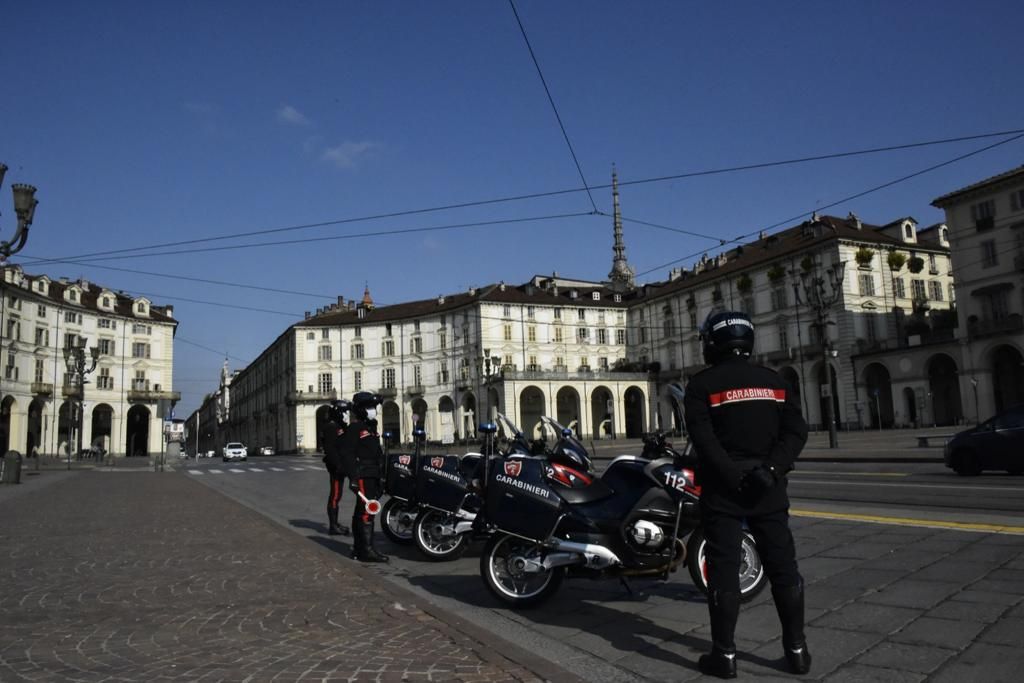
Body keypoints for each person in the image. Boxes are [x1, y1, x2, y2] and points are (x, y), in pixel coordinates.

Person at [683, 310, 811, 679]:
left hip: (724, 491)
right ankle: (797, 652)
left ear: (713, 343)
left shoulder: (702, 386)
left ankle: (724, 656)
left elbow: (704, 441)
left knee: (724, 570)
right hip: (768, 489)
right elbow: (796, 432)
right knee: (783, 567)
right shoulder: (774, 382)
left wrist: (732, 474)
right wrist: (771, 470)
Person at [339, 391, 389, 563]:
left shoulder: (371, 427)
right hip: (362, 474)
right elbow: (347, 454)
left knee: (361, 511)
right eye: (369, 407)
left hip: (372, 474)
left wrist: (382, 475)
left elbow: (376, 452)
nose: (372, 410)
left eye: (373, 407)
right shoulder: (355, 428)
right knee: (367, 511)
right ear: (360, 409)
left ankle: (359, 548)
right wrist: (353, 477)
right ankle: (366, 551)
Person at [322, 400, 351, 536]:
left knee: (337, 495)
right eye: (344, 412)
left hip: (340, 465)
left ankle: (335, 523)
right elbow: (330, 449)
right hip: (336, 467)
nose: (346, 414)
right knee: (335, 495)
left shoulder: (339, 426)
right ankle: (333, 526)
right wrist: (338, 465)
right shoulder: (331, 427)